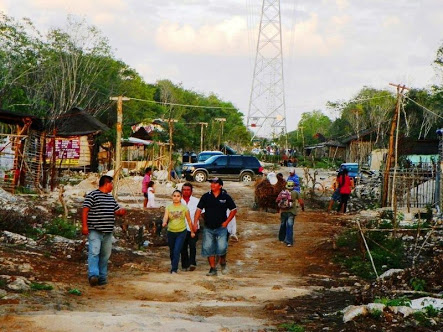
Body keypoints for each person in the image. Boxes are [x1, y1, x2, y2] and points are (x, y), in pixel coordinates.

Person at [82, 175, 126, 286]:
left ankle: (102, 277)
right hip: (95, 230)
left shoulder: (110, 198)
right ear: (107, 184)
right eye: (111, 184)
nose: (112, 186)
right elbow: (85, 210)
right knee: (94, 252)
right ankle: (93, 275)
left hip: (107, 232)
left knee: (105, 255)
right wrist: (85, 226)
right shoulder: (92, 195)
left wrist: (120, 212)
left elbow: (116, 210)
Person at [194, 177, 237, 276]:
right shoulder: (205, 196)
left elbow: (234, 210)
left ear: (220, 186)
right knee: (208, 247)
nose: (212, 185)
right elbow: (198, 210)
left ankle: (222, 262)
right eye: (211, 183)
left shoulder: (225, 197)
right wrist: (195, 222)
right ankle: (212, 268)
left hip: (221, 227)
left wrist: (227, 222)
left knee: (221, 247)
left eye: (215, 183)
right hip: (208, 227)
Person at [162, 190, 194, 274]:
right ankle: (173, 264)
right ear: (172, 197)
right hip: (171, 232)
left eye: (178, 196)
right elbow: (165, 217)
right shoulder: (169, 207)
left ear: (181, 197)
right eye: (174, 196)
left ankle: (174, 269)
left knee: (177, 250)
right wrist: (164, 222)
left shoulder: (184, 208)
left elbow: (189, 220)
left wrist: (192, 231)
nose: (176, 198)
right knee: (172, 251)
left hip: (181, 232)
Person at [276, 180, 304, 247]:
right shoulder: (295, 193)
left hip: (283, 211)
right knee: (290, 226)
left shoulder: (282, 192)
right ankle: (289, 242)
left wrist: (280, 208)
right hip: (291, 212)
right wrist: (303, 208)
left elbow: (277, 200)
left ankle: (281, 239)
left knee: (283, 224)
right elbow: (301, 202)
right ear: (293, 186)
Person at [180, 182, 200, 271]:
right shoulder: (178, 201)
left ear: (191, 191)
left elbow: (201, 213)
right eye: (184, 190)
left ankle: (192, 263)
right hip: (181, 228)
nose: (186, 192)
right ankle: (185, 264)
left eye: (188, 190)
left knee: (192, 246)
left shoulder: (196, 201)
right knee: (183, 247)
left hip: (193, 227)